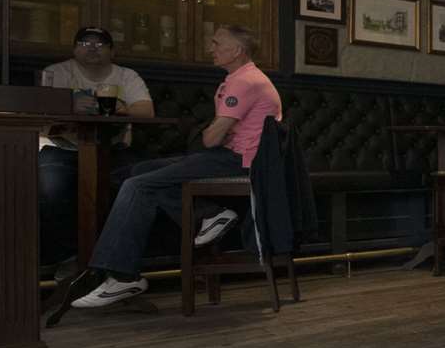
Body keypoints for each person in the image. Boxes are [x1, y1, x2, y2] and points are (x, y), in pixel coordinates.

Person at [72, 25, 283, 309]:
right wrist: (221, 131)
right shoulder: (244, 78)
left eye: (217, 43)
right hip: (238, 157)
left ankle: (121, 276)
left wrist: (218, 131)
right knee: (137, 173)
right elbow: (220, 133)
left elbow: (210, 139)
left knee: (137, 184)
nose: (211, 48)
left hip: (239, 163)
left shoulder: (244, 82)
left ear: (236, 51)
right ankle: (210, 214)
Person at [37, 26, 154, 267]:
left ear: (112, 51)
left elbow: (147, 112)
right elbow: (41, 111)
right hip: (60, 148)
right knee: (52, 188)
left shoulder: (126, 76)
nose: (92, 48)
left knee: (143, 182)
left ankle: (115, 260)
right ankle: (68, 259)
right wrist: (70, 106)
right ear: (74, 48)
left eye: (100, 44)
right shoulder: (56, 73)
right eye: (84, 43)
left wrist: (121, 108)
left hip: (111, 149)